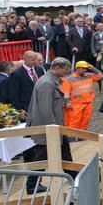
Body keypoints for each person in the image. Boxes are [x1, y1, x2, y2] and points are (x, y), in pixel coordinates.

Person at [24, 57, 74, 194]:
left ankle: (75, 178)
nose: (68, 71)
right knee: (42, 155)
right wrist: (53, 130)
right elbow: (46, 109)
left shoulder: (50, 81)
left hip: (54, 128)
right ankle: (31, 184)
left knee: (64, 153)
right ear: (57, 68)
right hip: (49, 129)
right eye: (66, 69)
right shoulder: (47, 83)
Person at [60, 61, 99, 130]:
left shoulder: (89, 75)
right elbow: (66, 93)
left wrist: (92, 68)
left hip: (88, 103)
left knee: (85, 121)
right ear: (77, 68)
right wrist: (67, 102)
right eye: (83, 68)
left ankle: (82, 136)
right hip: (76, 104)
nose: (85, 70)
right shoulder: (69, 79)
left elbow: (100, 76)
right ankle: (72, 137)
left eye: (86, 68)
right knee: (75, 121)